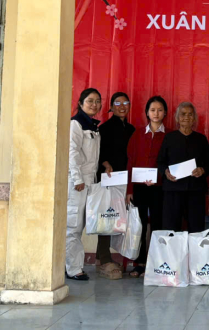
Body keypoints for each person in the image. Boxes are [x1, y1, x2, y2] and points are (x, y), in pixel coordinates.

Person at [125, 96, 168, 278]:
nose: (156, 113)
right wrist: (129, 190)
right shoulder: (137, 135)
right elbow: (130, 162)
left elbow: (170, 163)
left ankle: (156, 263)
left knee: (158, 224)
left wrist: (159, 178)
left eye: (160, 110)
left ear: (165, 113)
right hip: (139, 187)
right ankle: (139, 263)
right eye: (152, 110)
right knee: (140, 225)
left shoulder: (169, 136)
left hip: (160, 188)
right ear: (147, 113)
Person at [94, 92, 135, 280]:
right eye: (117, 103)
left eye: (125, 103)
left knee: (118, 217)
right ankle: (104, 258)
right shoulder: (104, 128)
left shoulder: (132, 129)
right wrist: (105, 163)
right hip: (108, 178)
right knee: (106, 216)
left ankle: (100, 258)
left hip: (125, 179)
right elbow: (97, 153)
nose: (122, 106)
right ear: (111, 107)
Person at [158, 102, 209, 233]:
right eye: (183, 114)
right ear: (177, 118)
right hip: (173, 190)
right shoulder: (169, 138)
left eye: (190, 114)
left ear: (194, 118)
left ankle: (195, 247)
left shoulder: (201, 139)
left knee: (196, 229)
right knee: (171, 229)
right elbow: (161, 161)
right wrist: (166, 172)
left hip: (195, 190)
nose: (187, 117)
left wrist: (202, 170)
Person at [66, 88, 102, 281]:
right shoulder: (76, 123)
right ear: (80, 103)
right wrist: (77, 179)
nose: (94, 104)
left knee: (79, 225)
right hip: (77, 183)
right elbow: (71, 152)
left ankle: (71, 265)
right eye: (90, 101)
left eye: (97, 101)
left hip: (89, 181)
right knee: (73, 225)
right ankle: (73, 269)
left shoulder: (93, 126)